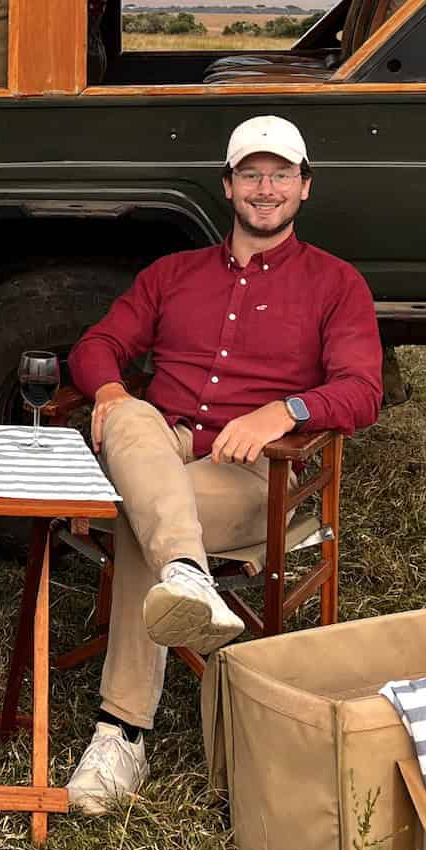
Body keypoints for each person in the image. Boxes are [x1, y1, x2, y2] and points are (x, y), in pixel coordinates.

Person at [60, 114, 383, 813]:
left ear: (303, 188)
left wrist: (284, 412)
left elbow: (362, 390)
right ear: (227, 187)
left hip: (251, 471)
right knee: (134, 418)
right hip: (165, 444)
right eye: (250, 175)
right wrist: (111, 391)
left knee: (146, 519)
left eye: (280, 175)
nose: (265, 188)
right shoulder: (173, 274)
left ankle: (121, 731)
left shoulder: (336, 283)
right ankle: (186, 573)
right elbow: (96, 344)